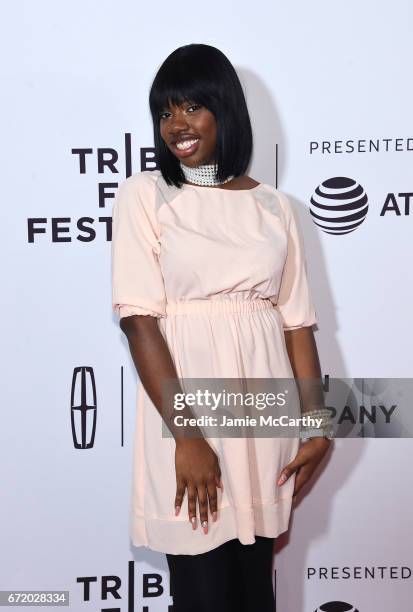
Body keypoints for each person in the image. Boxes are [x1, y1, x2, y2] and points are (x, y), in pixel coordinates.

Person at [111, 43, 332, 612]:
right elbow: (140, 323)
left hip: (265, 419)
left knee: (254, 594)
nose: (176, 125)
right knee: (203, 596)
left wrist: (317, 426)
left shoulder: (278, 208)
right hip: (189, 423)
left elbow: (297, 326)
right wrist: (188, 437)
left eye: (191, 107)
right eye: (165, 112)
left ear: (225, 112)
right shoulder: (147, 196)